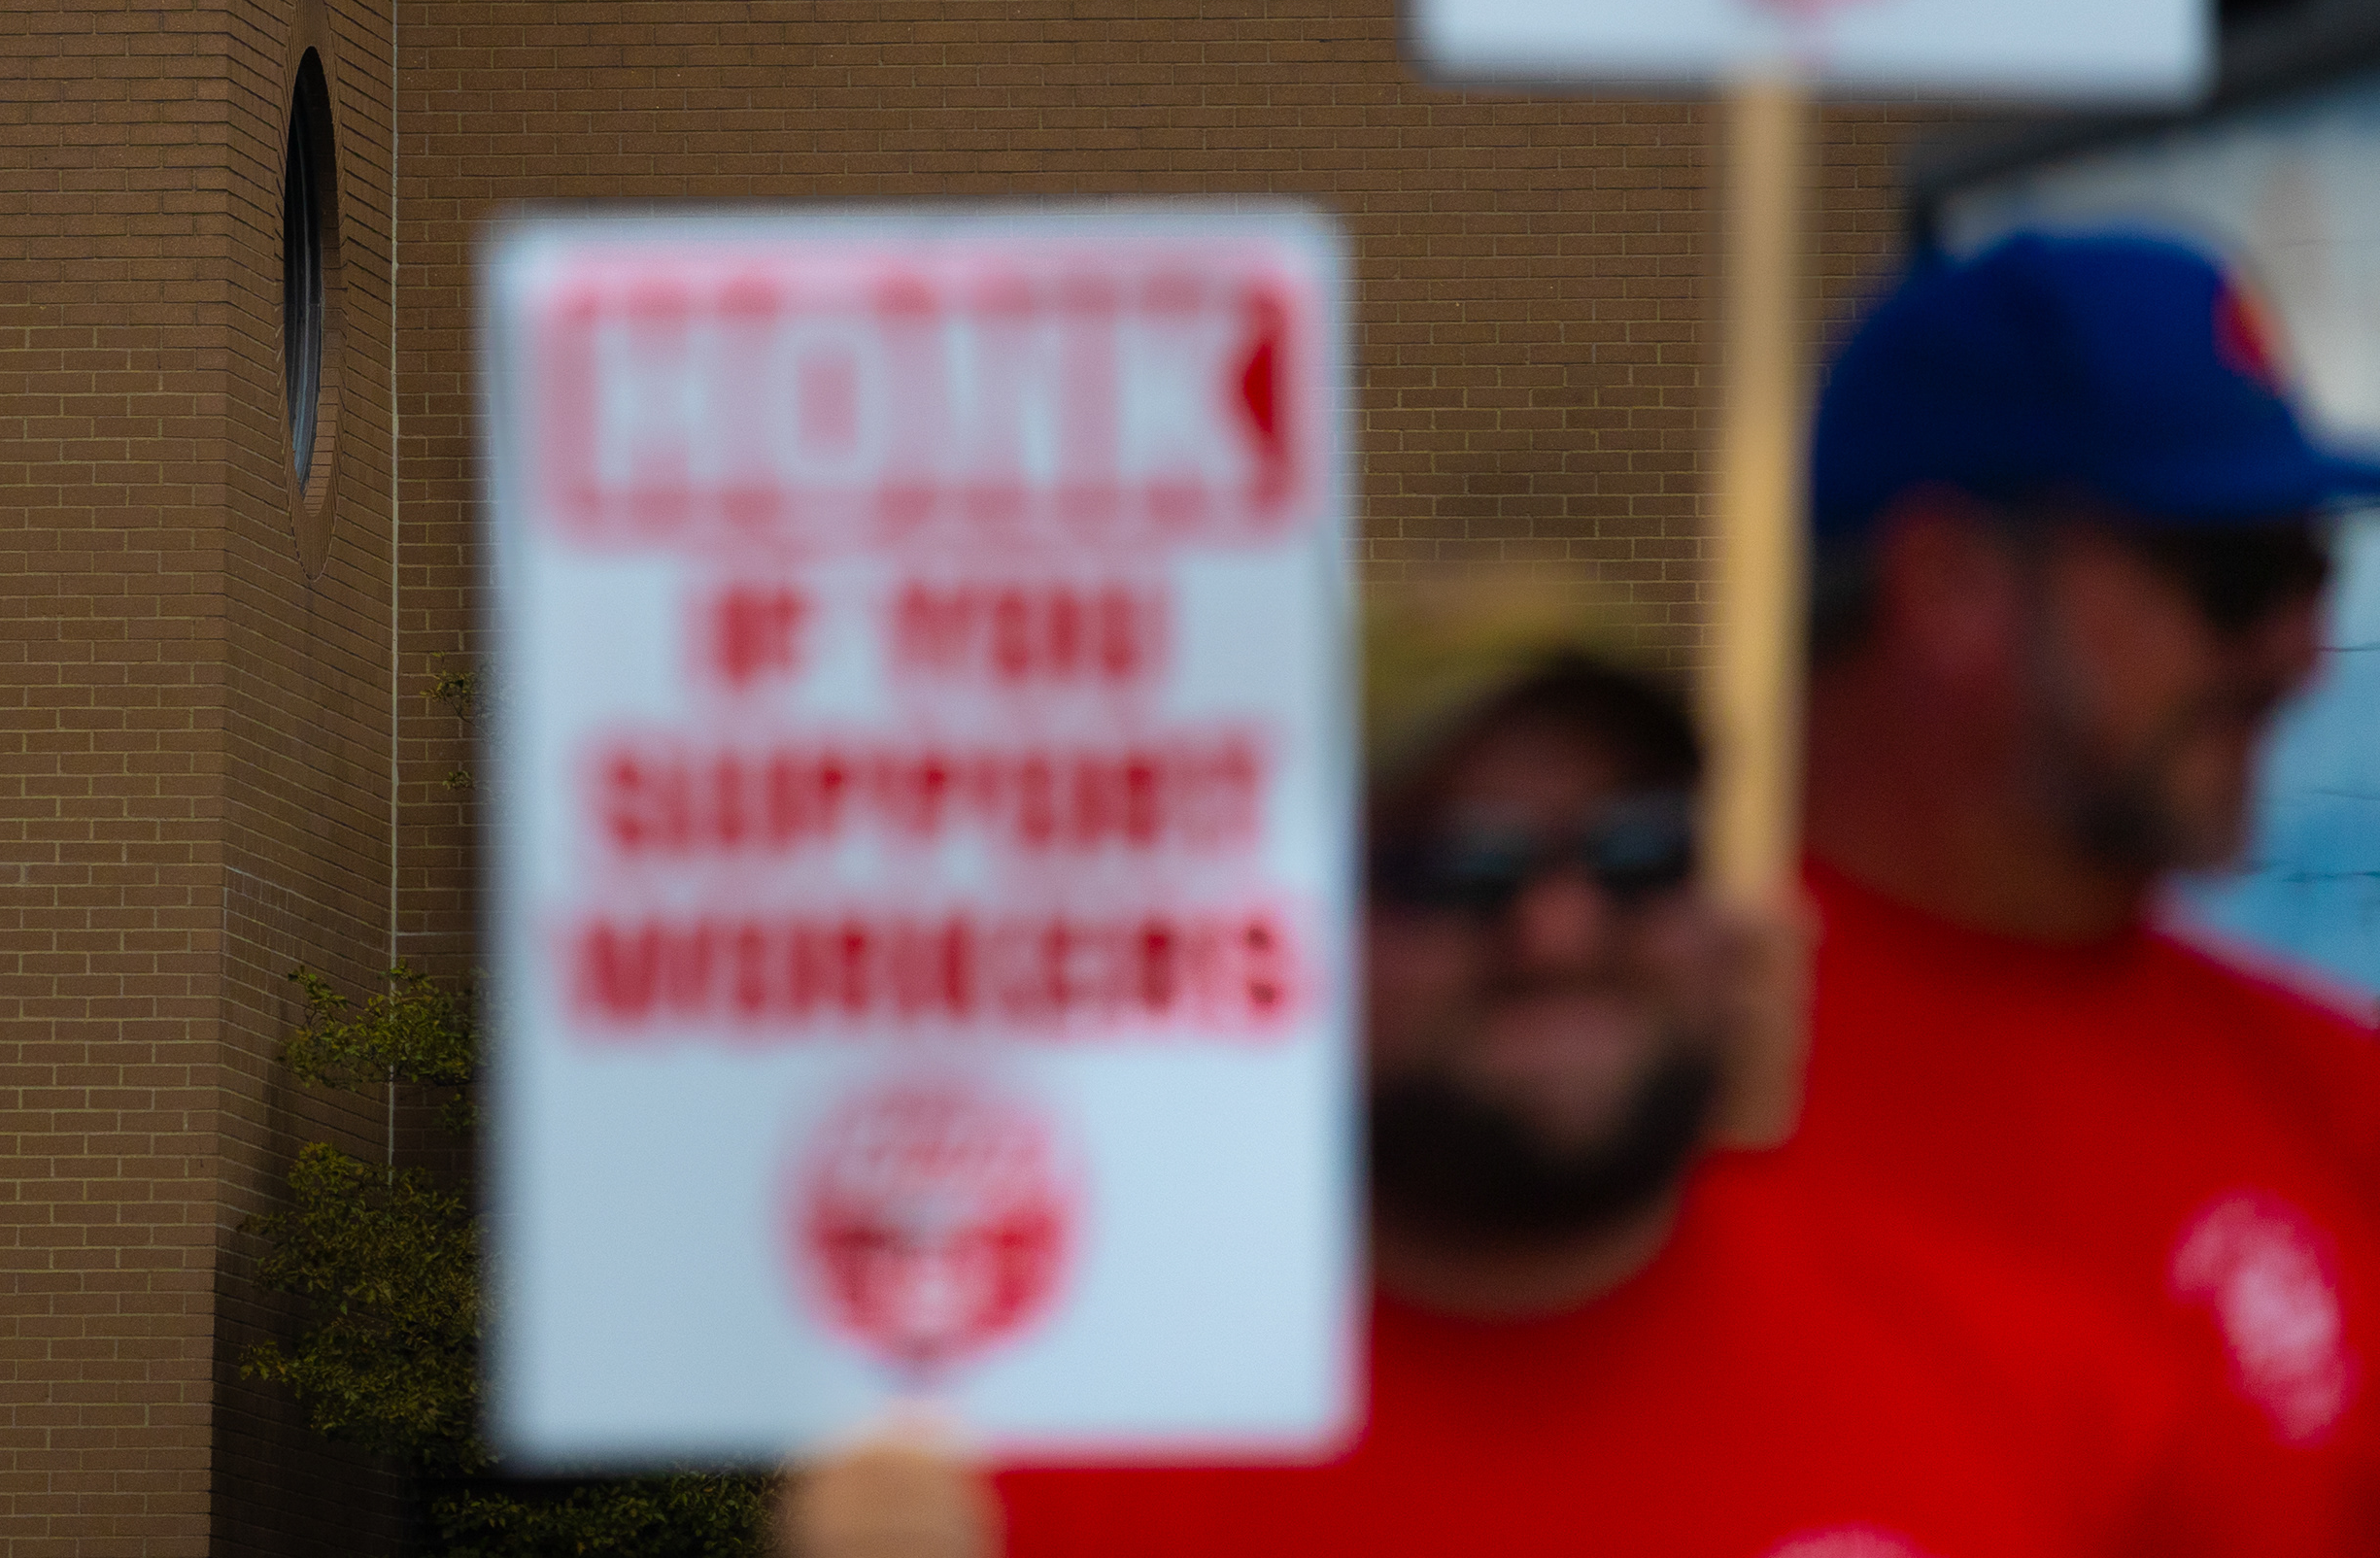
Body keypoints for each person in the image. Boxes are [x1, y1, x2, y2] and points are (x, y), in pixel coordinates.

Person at [783, 567, 2218, 1558]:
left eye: (1635, 852)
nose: (1560, 930)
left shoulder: (2061, 1411)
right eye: (1456, 868)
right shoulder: (1033, 1474)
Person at [1786, 227, 2380, 1542]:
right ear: (1949, 583)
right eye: (2237, 582)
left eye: (2313, 577)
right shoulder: (1608, 1077)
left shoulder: (2338, 1107)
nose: (2301, 660)